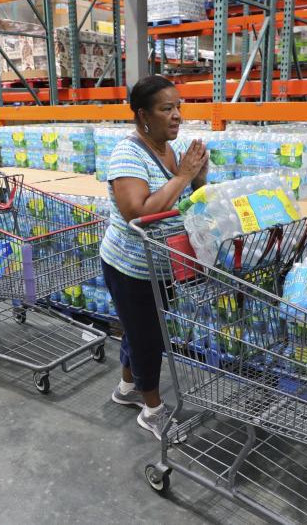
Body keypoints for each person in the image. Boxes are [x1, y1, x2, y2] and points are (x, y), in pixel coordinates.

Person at [100, 75, 209, 441]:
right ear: (144, 115)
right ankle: (152, 410)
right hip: (131, 268)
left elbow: (182, 201)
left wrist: (196, 180)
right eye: (167, 109)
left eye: (179, 107)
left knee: (142, 330)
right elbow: (138, 214)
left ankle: (127, 388)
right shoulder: (127, 153)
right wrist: (182, 176)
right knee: (148, 338)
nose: (177, 115)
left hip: (163, 264)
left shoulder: (168, 150)